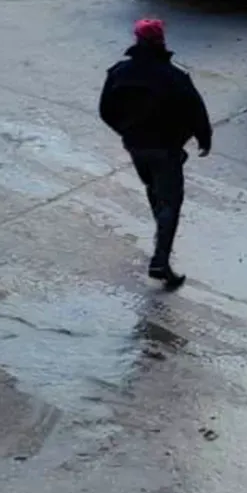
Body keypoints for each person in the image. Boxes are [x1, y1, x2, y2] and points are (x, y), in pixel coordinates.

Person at [99, 18, 212, 290]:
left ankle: (162, 249)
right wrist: (202, 138)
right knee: (170, 201)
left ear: (136, 40)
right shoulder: (175, 76)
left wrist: (127, 132)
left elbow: (106, 110)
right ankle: (161, 260)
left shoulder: (119, 73)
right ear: (161, 41)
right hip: (167, 148)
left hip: (137, 148)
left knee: (154, 191)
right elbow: (195, 110)